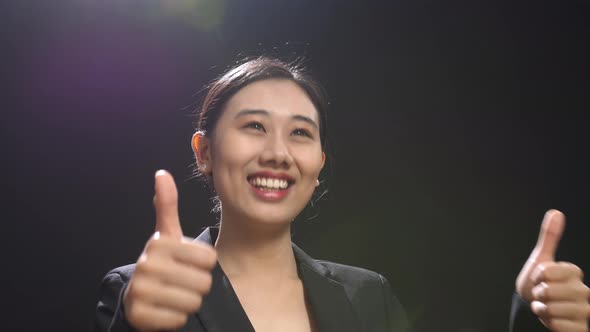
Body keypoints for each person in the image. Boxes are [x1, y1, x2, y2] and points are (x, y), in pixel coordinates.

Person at [94, 57, 590, 332]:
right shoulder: (137, 292)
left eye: (301, 134)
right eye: (253, 127)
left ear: (318, 164)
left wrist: (533, 320)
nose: (278, 153)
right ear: (204, 151)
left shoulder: (368, 296)